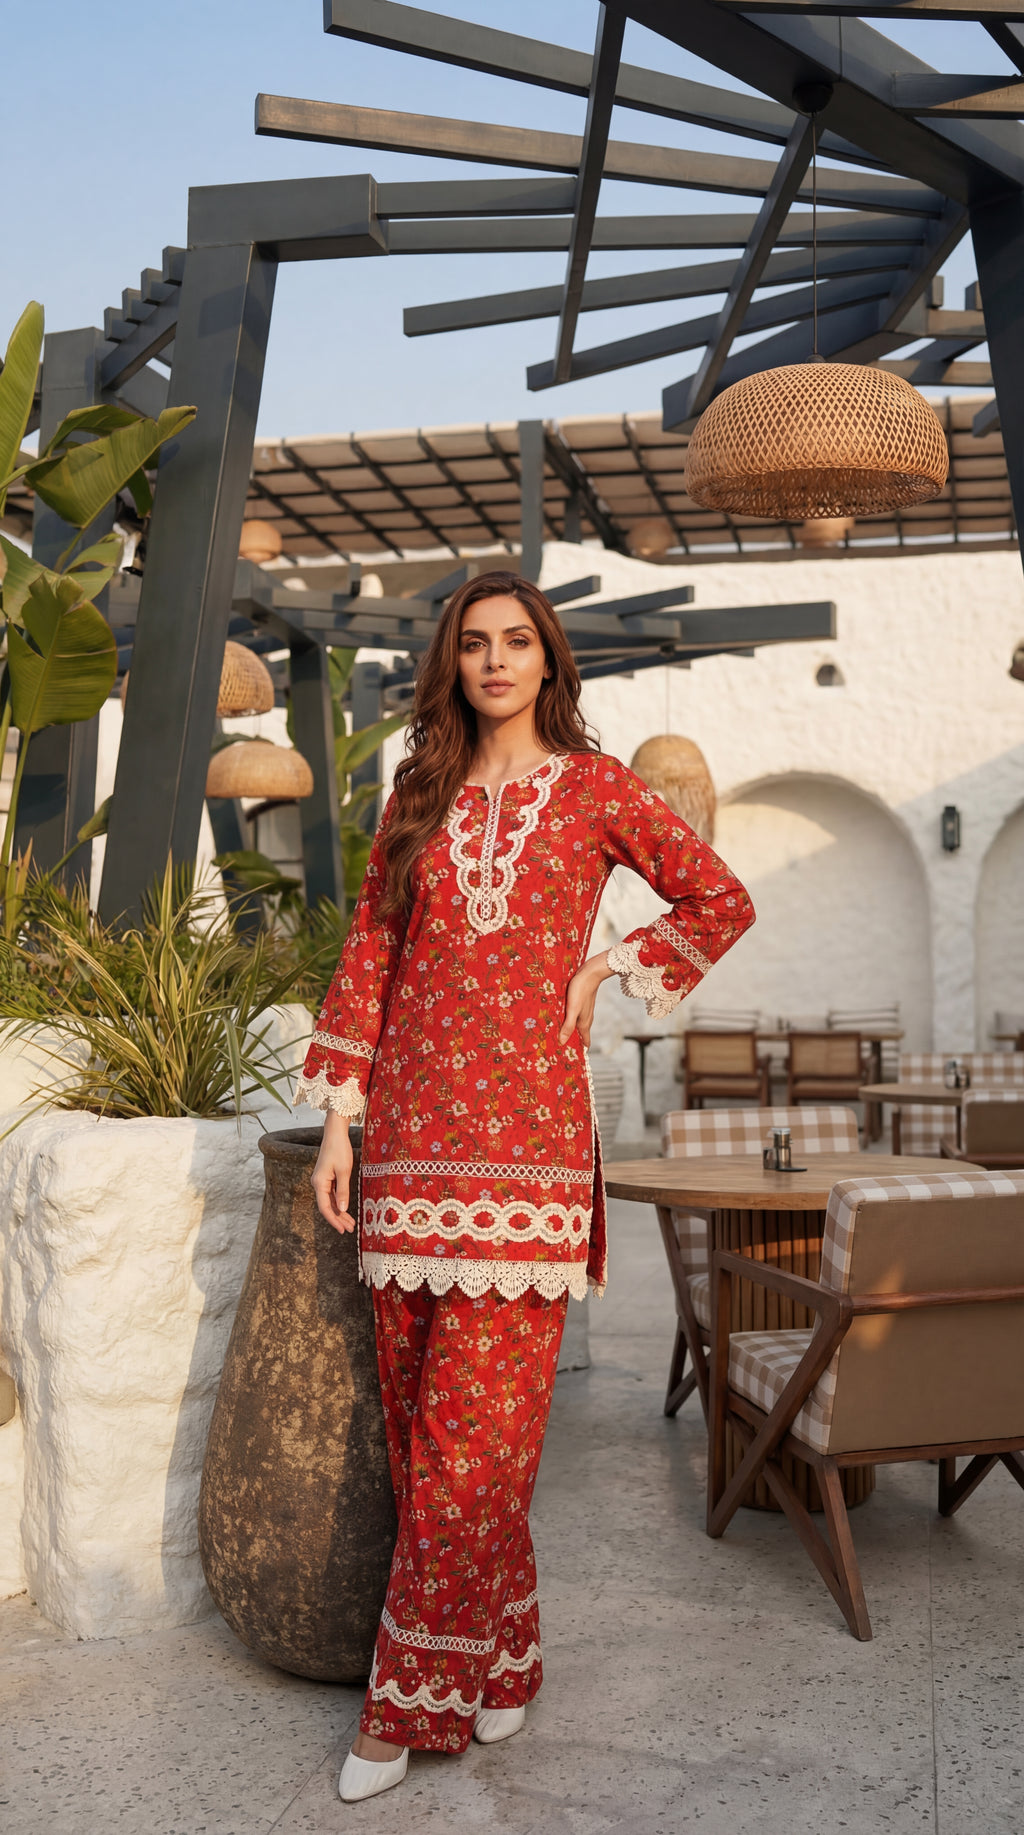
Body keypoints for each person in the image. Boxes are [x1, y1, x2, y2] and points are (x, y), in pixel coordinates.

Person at [297, 571, 754, 1802]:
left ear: (549, 659)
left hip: (529, 1160)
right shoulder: (418, 789)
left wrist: (609, 963)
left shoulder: (598, 789)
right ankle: (504, 1659)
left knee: (473, 1448)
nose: (495, 660)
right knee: (421, 1440)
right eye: (473, 643)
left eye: (516, 641)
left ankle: (403, 1705)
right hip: (405, 1150)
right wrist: (339, 1120)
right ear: (450, 663)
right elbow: (372, 950)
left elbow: (719, 897)